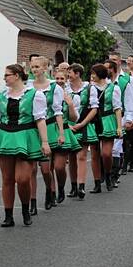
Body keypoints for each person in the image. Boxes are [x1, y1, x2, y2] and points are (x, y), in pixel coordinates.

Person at [0, 64, 51, 227]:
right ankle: (8, 215)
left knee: (23, 179)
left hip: (25, 136)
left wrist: (45, 142)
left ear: (17, 76)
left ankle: (25, 209)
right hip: (5, 136)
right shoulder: (1, 96)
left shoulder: (34, 95)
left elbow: (40, 119)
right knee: (8, 179)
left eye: (7, 75)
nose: (4, 78)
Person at [30, 56, 66, 211]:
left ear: (45, 68)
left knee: (46, 169)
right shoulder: (28, 86)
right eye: (32, 67)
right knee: (31, 168)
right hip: (32, 129)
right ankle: (32, 201)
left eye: (37, 67)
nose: (34, 69)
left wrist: (61, 133)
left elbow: (58, 111)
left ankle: (49, 190)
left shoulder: (54, 87)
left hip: (50, 127)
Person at [68, 63, 99, 199]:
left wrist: (83, 123)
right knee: (71, 157)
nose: (67, 75)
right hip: (69, 125)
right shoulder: (65, 89)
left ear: (77, 74)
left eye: (70, 73)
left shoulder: (89, 88)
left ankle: (81, 186)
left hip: (84, 124)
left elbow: (94, 108)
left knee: (81, 156)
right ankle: (73, 185)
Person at [90, 63, 122, 192]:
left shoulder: (113, 88)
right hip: (93, 121)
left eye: (93, 74)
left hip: (108, 120)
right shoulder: (90, 88)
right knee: (94, 154)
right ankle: (97, 182)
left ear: (100, 74)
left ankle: (108, 175)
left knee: (106, 153)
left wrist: (119, 126)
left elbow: (117, 108)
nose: (91, 76)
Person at [54, 70, 81, 199]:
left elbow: (74, 118)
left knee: (59, 167)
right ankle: (51, 192)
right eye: (57, 78)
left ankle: (61, 188)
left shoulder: (72, 96)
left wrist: (70, 105)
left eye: (62, 79)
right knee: (46, 168)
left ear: (66, 80)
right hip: (48, 130)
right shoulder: (48, 94)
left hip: (64, 130)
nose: (59, 81)